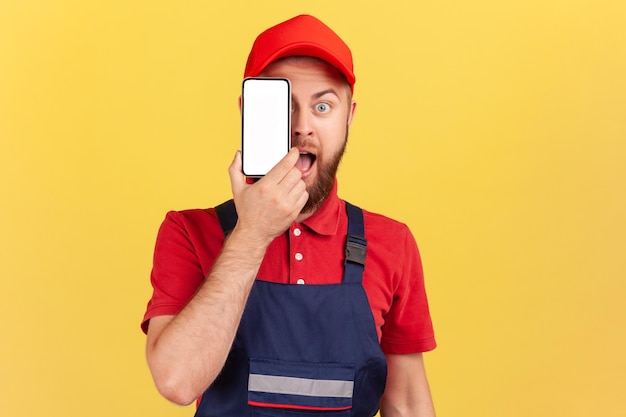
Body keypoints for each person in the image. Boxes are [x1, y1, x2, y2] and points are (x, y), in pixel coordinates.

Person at [141, 14, 437, 417]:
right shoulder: (189, 232)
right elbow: (177, 381)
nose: (302, 127)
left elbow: (405, 404)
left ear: (348, 116)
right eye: (283, 106)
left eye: (322, 105)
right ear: (247, 112)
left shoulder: (392, 243)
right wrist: (250, 234)